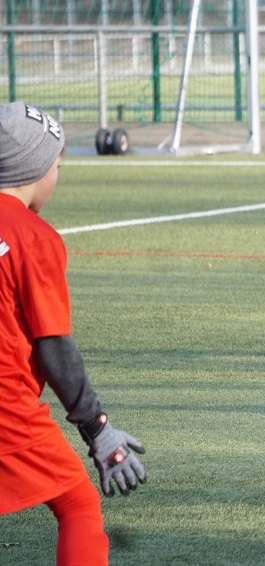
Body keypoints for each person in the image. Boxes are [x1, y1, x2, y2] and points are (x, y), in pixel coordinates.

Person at [0, 102, 148, 565]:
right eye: (57, 166)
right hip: (6, 409)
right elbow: (55, 348)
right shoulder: (33, 237)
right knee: (77, 503)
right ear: (37, 167)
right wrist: (96, 428)